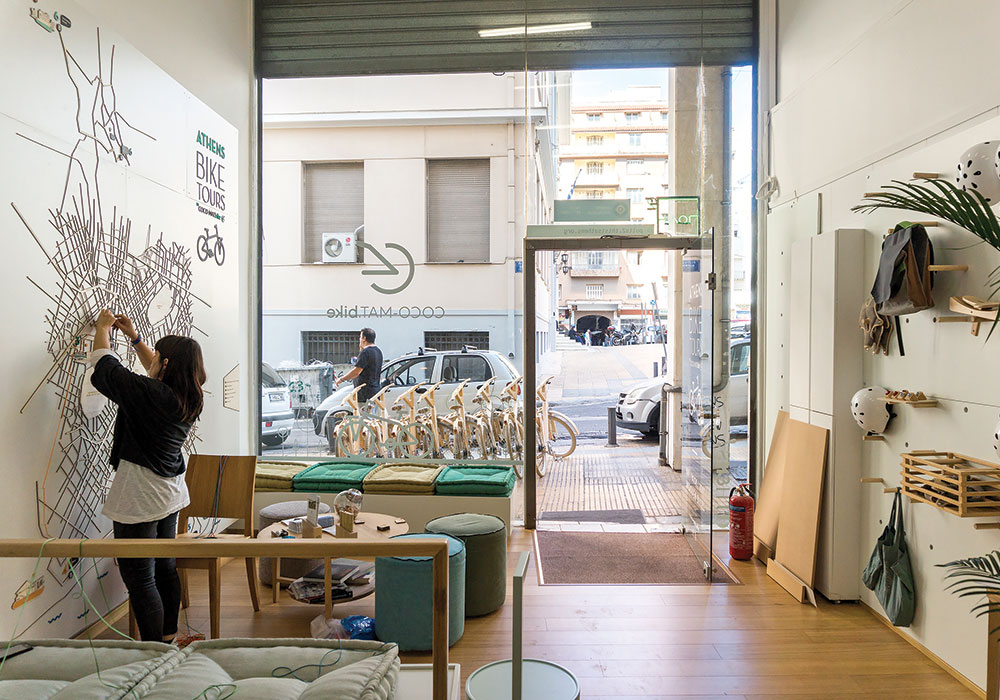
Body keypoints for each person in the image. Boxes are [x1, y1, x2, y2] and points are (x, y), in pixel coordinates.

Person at [88, 309, 206, 643]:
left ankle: (154, 651)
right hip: (170, 493)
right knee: (165, 569)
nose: (152, 359)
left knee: (140, 580)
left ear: (167, 364)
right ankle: (167, 640)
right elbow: (155, 369)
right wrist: (135, 338)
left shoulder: (152, 394)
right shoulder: (190, 393)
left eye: (157, 355)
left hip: (140, 496)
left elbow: (104, 366)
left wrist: (102, 328)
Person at [334, 327, 383, 403]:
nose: (359, 339)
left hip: (365, 394)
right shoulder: (378, 351)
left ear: (364, 338)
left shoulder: (366, 352)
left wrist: (341, 379)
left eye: (360, 337)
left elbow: (356, 372)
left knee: (365, 411)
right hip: (375, 391)